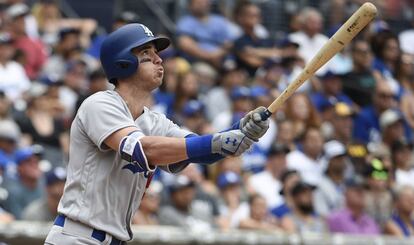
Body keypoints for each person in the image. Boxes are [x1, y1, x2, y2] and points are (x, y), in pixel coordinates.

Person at [45, 23, 270, 244]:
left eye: (157, 53)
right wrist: (218, 142)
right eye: (146, 53)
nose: (159, 59)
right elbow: (143, 148)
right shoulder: (100, 103)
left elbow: (198, 150)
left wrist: (241, 131)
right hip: (77, 236)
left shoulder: (154, 121)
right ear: (123, 62)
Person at [2, 146, 45, 219]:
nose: (34, 165)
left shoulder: (44, 184)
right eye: (29, 162)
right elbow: (20, 221)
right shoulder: (14, 191)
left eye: (36, 161)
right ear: (19, 168)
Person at [247, 143, 290, 209]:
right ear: (269, 160)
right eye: (279, 157)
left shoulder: (290, 180)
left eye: (284, 157)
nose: (283, 161)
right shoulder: (255, 180)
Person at [314, 140, 348, 217]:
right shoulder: (320, 186)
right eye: (337, 158)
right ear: (328, 161)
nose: (342, 161)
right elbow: (323, 216)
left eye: (343, 157)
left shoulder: (348, 184)